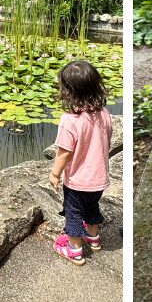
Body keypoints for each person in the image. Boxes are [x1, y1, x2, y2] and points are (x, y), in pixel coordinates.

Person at [49, 60, 113, 265]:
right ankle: (94, 239)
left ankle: (74, 249)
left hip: (77, 182)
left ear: (67, 91)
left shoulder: (69, 120)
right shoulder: (104, 113)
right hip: (99, 179)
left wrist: (55, 174)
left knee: (74, 215)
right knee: (92, 208)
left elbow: (64, 153)